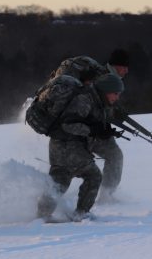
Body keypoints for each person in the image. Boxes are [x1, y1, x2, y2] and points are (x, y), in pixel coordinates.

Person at [37, 73, 124, 221]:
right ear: (105, 91)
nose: (117, 97)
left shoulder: (94, 99)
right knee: (93, 176)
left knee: (61, 180)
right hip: (67, 146)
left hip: (60, 145)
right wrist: (93, 130)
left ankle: (42, 215)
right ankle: (81, 214)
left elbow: (87, 121)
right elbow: (68, 124)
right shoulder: (84, 100)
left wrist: (102, 130)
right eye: (115, 93)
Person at [51, 49, 129, 203]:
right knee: (74, 174)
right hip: (72, 137)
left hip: (81, 133)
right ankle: (104, 198)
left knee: (65, 175)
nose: (127, 71)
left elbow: (98, 111)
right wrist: (97, 129)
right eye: (125, 66)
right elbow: (84, 112)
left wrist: (105, 126)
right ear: (117, 66)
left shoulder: (105, 78)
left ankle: (44, 212)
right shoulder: (102, 79)